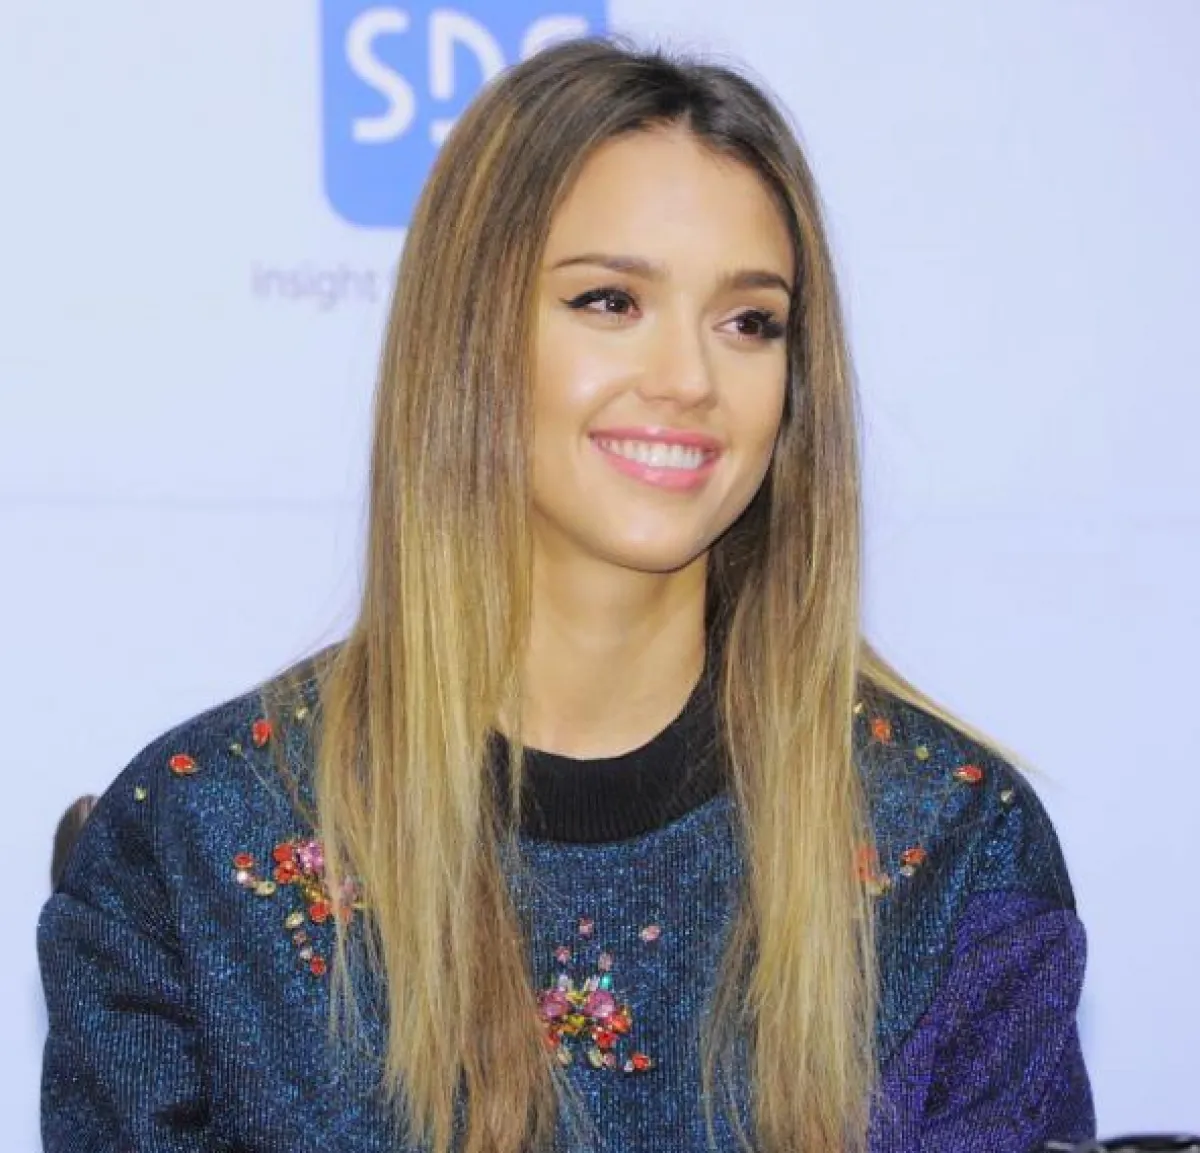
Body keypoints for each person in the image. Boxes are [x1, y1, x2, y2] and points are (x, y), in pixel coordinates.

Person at [38, 38, 1094, 1153]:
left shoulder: (951, 842)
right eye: (609, 300)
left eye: (750, 321)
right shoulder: (197, 844)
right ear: (470, 341)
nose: (689, 379)